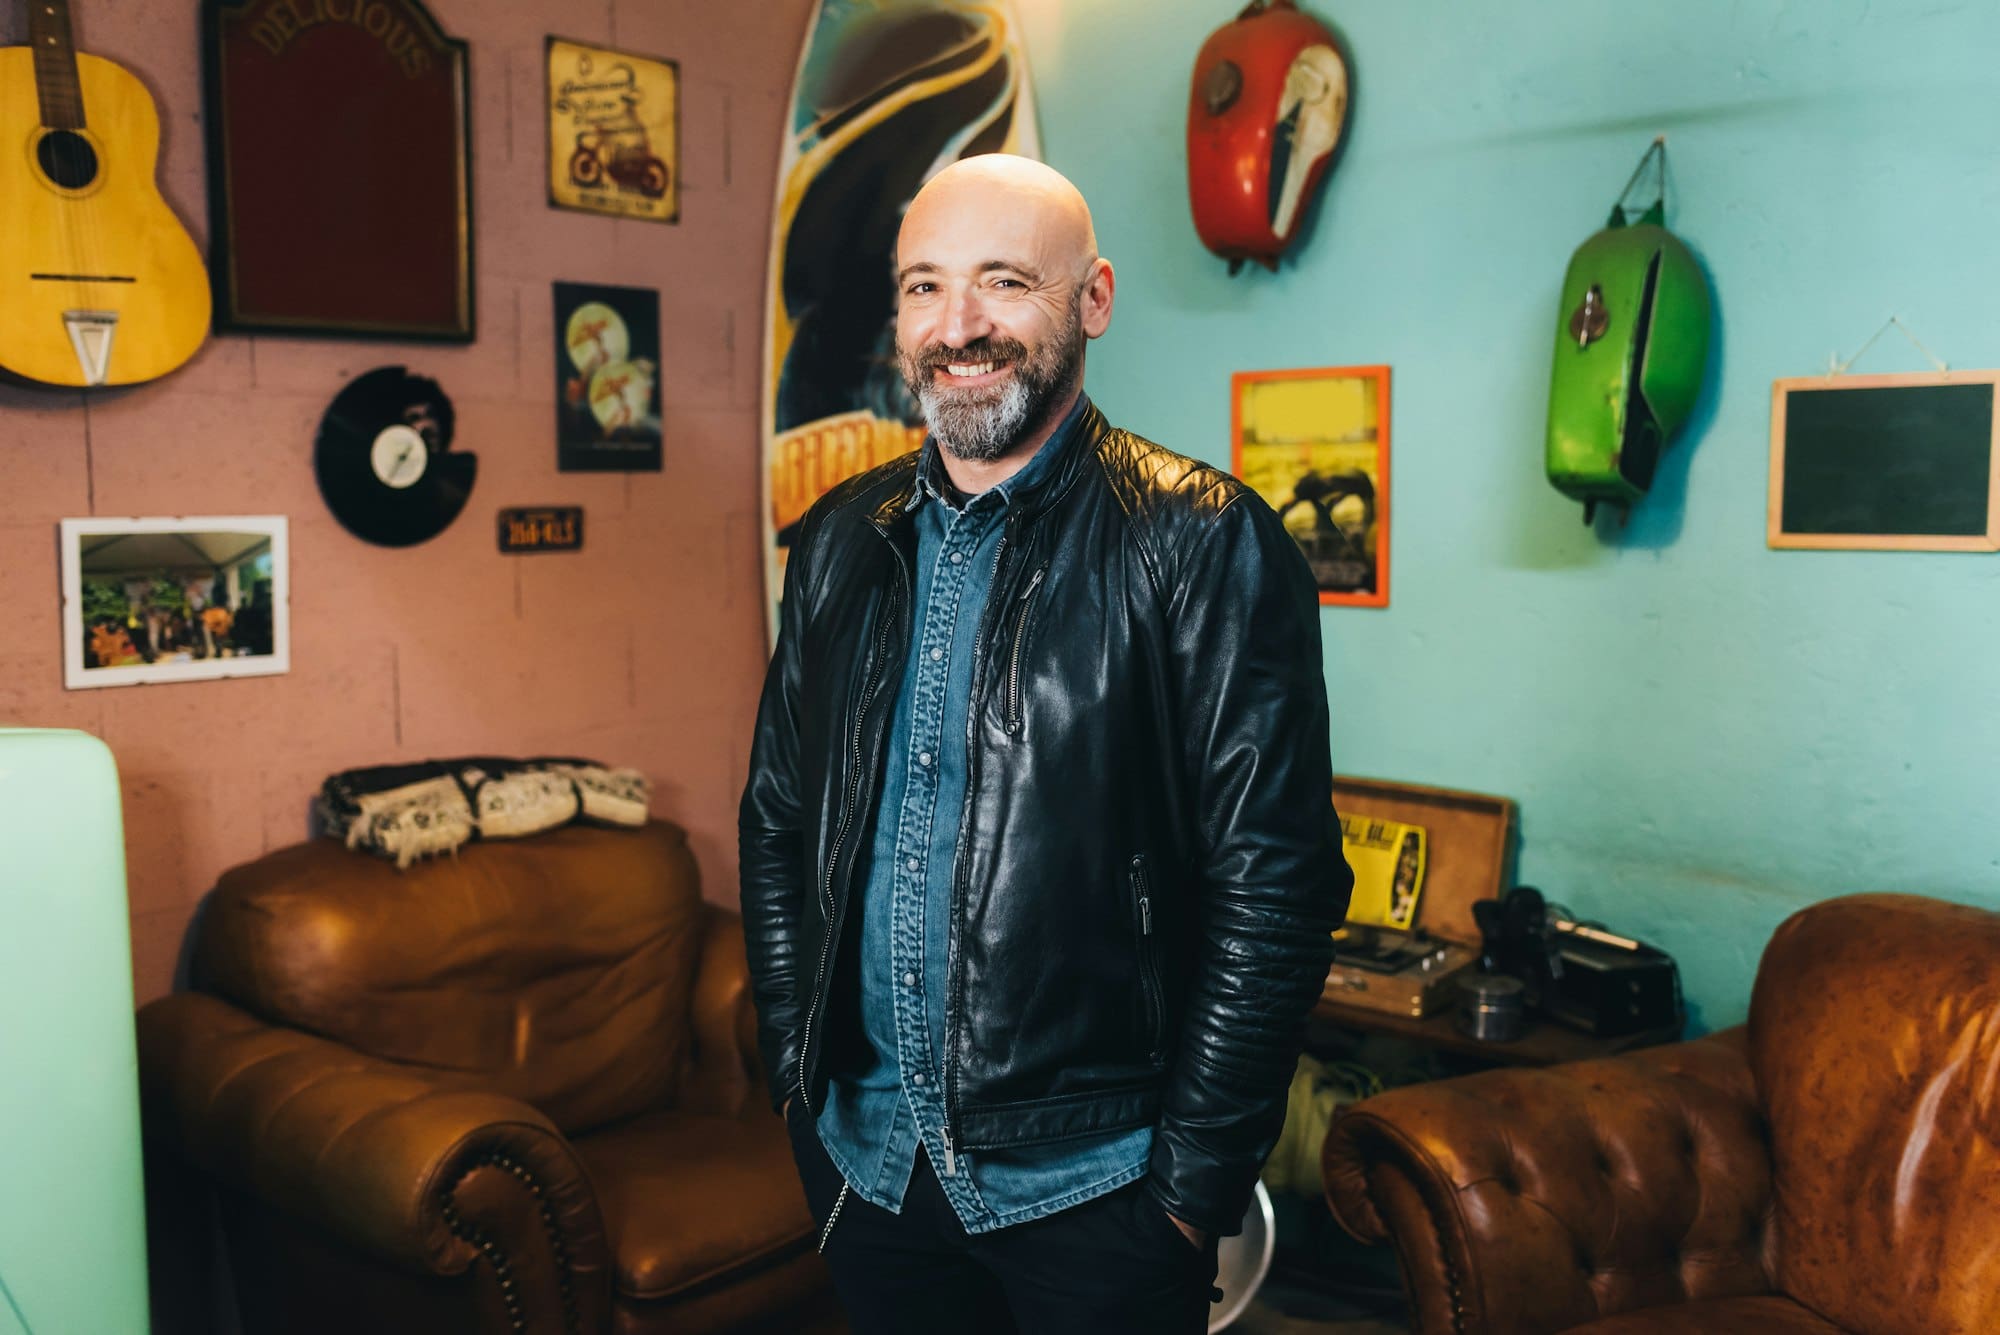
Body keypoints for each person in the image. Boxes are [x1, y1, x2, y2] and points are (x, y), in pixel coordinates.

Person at [740, 154, 1352, 1335]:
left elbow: (1273, 891)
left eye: (1002, 282)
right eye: (923, 288)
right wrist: (795, 1091)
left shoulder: (1201, 543)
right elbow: (776, 823)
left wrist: (1187, 1196)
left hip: (1100, 1191)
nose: (955, 327)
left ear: (1093, 300)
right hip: (867, 1173)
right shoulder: (834, 543)